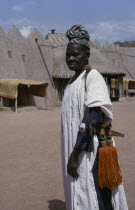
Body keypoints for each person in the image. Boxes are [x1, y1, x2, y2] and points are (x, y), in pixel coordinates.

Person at [61, 25, 128, 210]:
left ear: (87, 55)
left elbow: (91, 118)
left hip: (88, 149)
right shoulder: (72, 81)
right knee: (80, 188)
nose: (71, 58)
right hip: (77, 146)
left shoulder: (93, 77)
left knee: (95, 191)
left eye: (75, 54)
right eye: (68, 55)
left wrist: (75, 154)